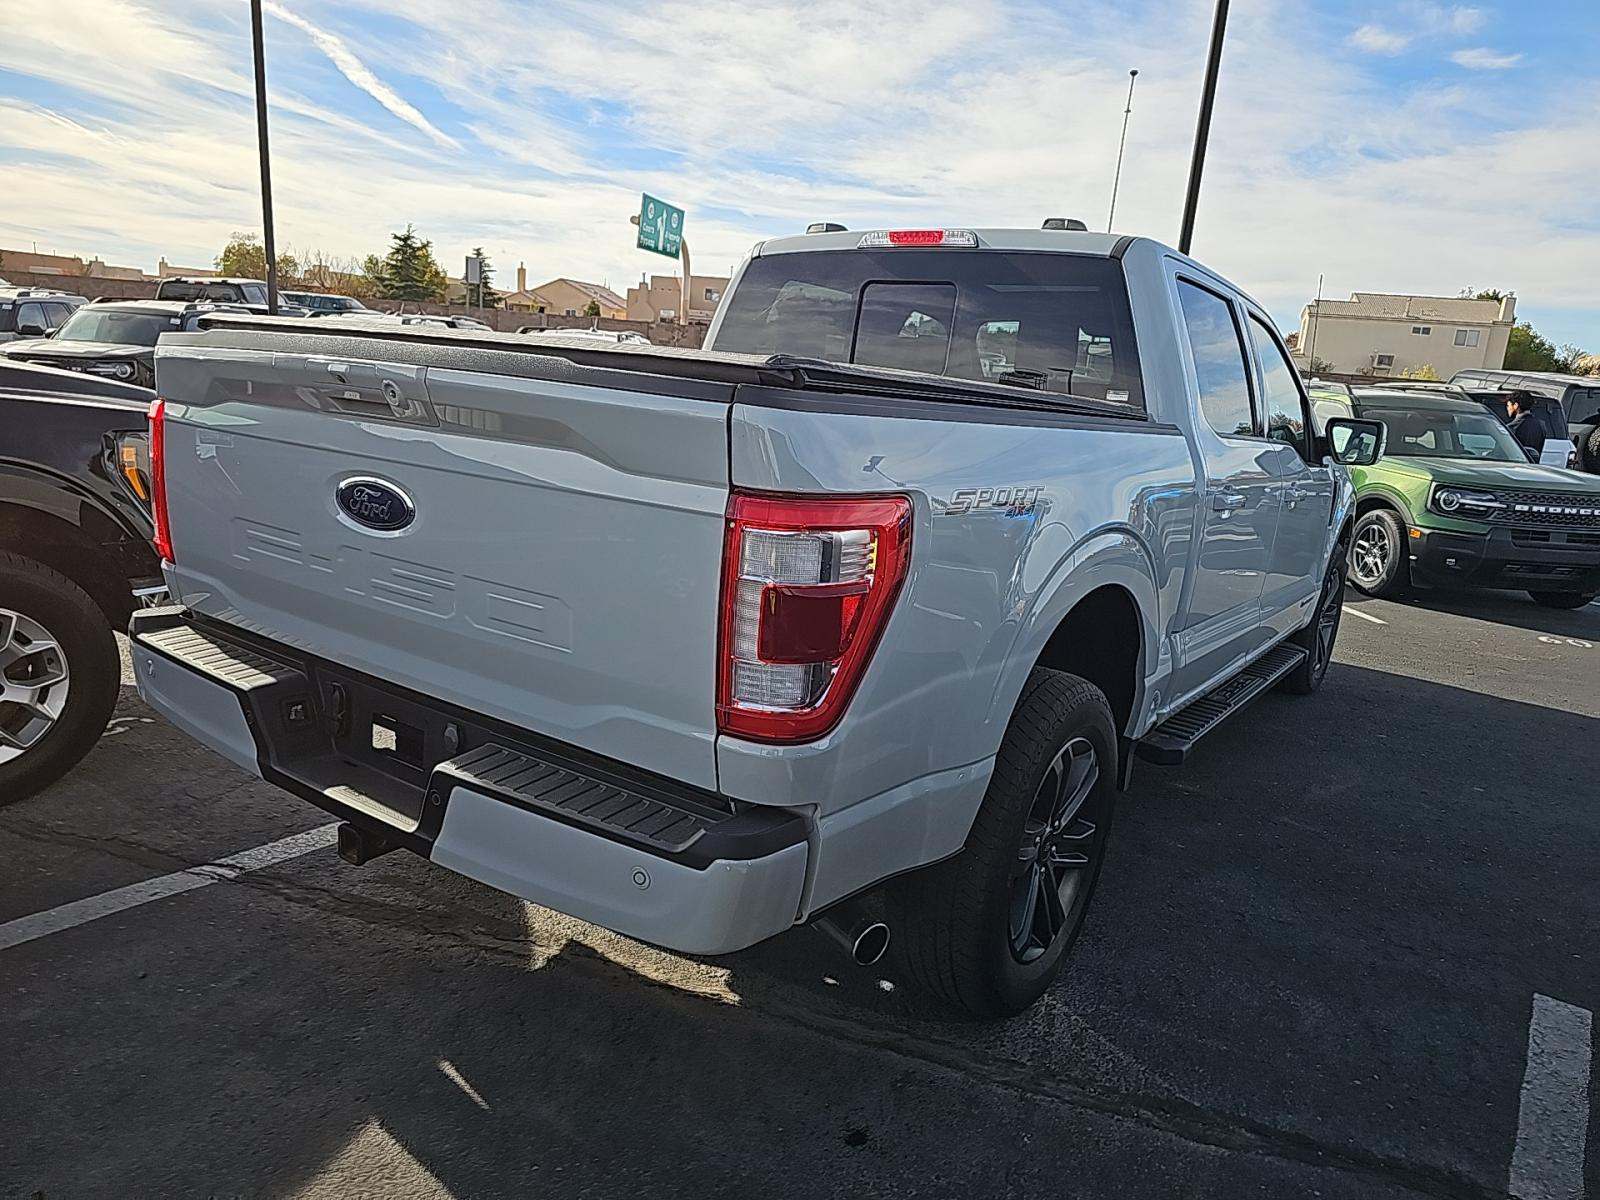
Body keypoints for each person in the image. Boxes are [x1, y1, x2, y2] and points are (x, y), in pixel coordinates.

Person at [1505, 391, 1546, 458]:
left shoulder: (1512, 427)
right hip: (1534, 462)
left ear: (1516, 405)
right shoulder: (1541, 425)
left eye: (1508, 405)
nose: (1507, 408)